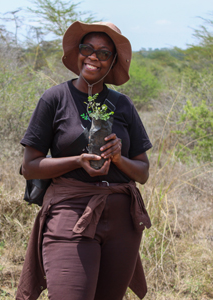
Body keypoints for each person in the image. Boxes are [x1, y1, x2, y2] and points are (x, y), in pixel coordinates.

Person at [16, 21, 152, 300]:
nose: (93, 56)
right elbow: (30, 167)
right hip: (70, 212)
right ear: (77, 53)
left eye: (103, 53)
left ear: (112, 60)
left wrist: (118, 158)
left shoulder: (122, 104)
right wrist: (77, 160)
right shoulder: (55, 98)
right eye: (87, 48)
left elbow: (143, 172)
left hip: (121, 220)